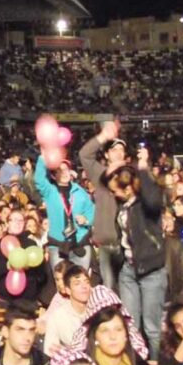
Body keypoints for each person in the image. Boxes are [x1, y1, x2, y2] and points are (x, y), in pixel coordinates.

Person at [107, 150, 167, 359]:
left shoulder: (146, 205)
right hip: (129, 270)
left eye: (117, 190)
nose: (114, 194)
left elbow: (153, 198)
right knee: (130, 323)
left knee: (152, 327)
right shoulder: (123, 207)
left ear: (129, 188)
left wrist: (142, 168)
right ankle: (134, 364)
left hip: (151, 270)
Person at [80, 120, 128, 290]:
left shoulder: (130, 175)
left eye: (122, 150)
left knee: (127, 287)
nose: (119, 153)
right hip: (107, 242)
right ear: (106, 155)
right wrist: (103, 137)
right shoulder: (99, 173)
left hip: (126, 243)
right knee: (109, 287)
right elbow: (84, 155)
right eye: (114, 149)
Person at [34, 153, 95, 269]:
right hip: (58, 246)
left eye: (66, 169)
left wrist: (86, 219)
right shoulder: (49, 191)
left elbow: (91, 209)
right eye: (59, 170)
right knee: (61, 283)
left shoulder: (79, 191)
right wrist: (44, 156)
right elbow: (39, 179)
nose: (64, 173)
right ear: (53, 175)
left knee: (80, 282)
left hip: (80, 244)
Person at [43, 263, 92, 357]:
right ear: (68, 290)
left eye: (87, 282)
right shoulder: (58, 316)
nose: (84, 286)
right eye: (77, 283)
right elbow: (50, 351)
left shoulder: (99, 309)